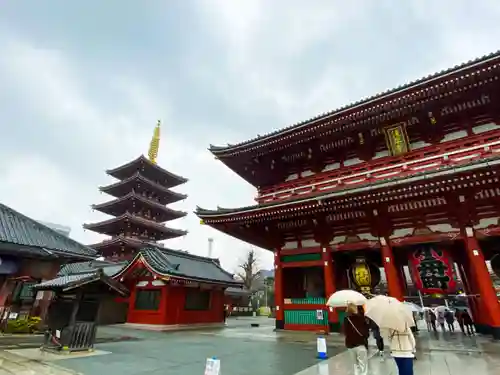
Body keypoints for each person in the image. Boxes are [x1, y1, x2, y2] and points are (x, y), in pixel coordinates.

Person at [343, 302, 370, 375]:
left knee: (355, 365)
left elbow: (345, 332)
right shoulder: (361, 318)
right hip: (360, 344)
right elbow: (366, 333)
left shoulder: (346, 319)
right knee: (363, 365)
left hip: (350, 345)